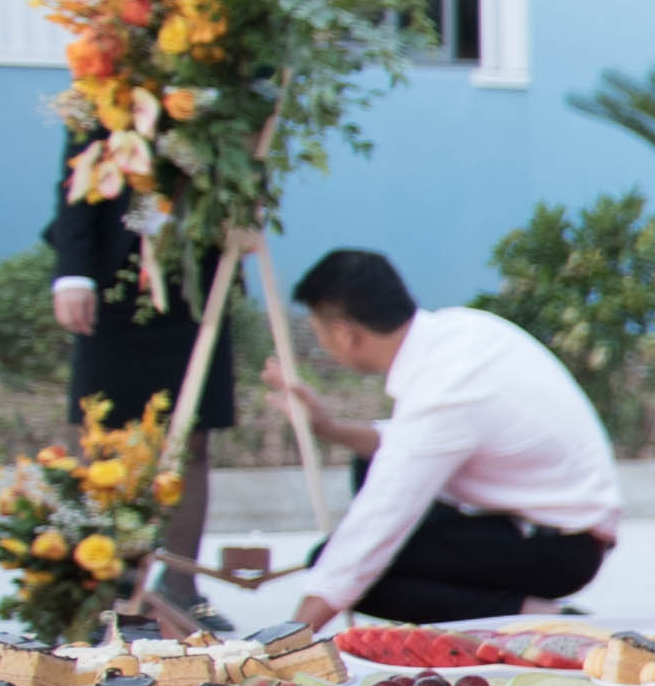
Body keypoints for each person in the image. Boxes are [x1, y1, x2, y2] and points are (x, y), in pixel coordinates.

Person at [263, 246, 622, 622]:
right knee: (369, 468)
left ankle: (535, 616)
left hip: (561, 548)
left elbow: (375, 528)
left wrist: (286, 640)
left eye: (319, 333)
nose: (322, 344)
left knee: (349, 566)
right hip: (548, 524)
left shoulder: (445, 389)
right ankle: (519, 609)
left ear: (343, 334)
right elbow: (406, 447)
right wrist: (328, 428)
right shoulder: (457, 332)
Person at [43, 185, 242, 604]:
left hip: (197, 278)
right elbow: (78, 179)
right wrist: (72, 274)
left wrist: (245, 211)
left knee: (192, 441)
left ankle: (180, 588)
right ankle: (97, 592)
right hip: (114, 279)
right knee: (101, 437)